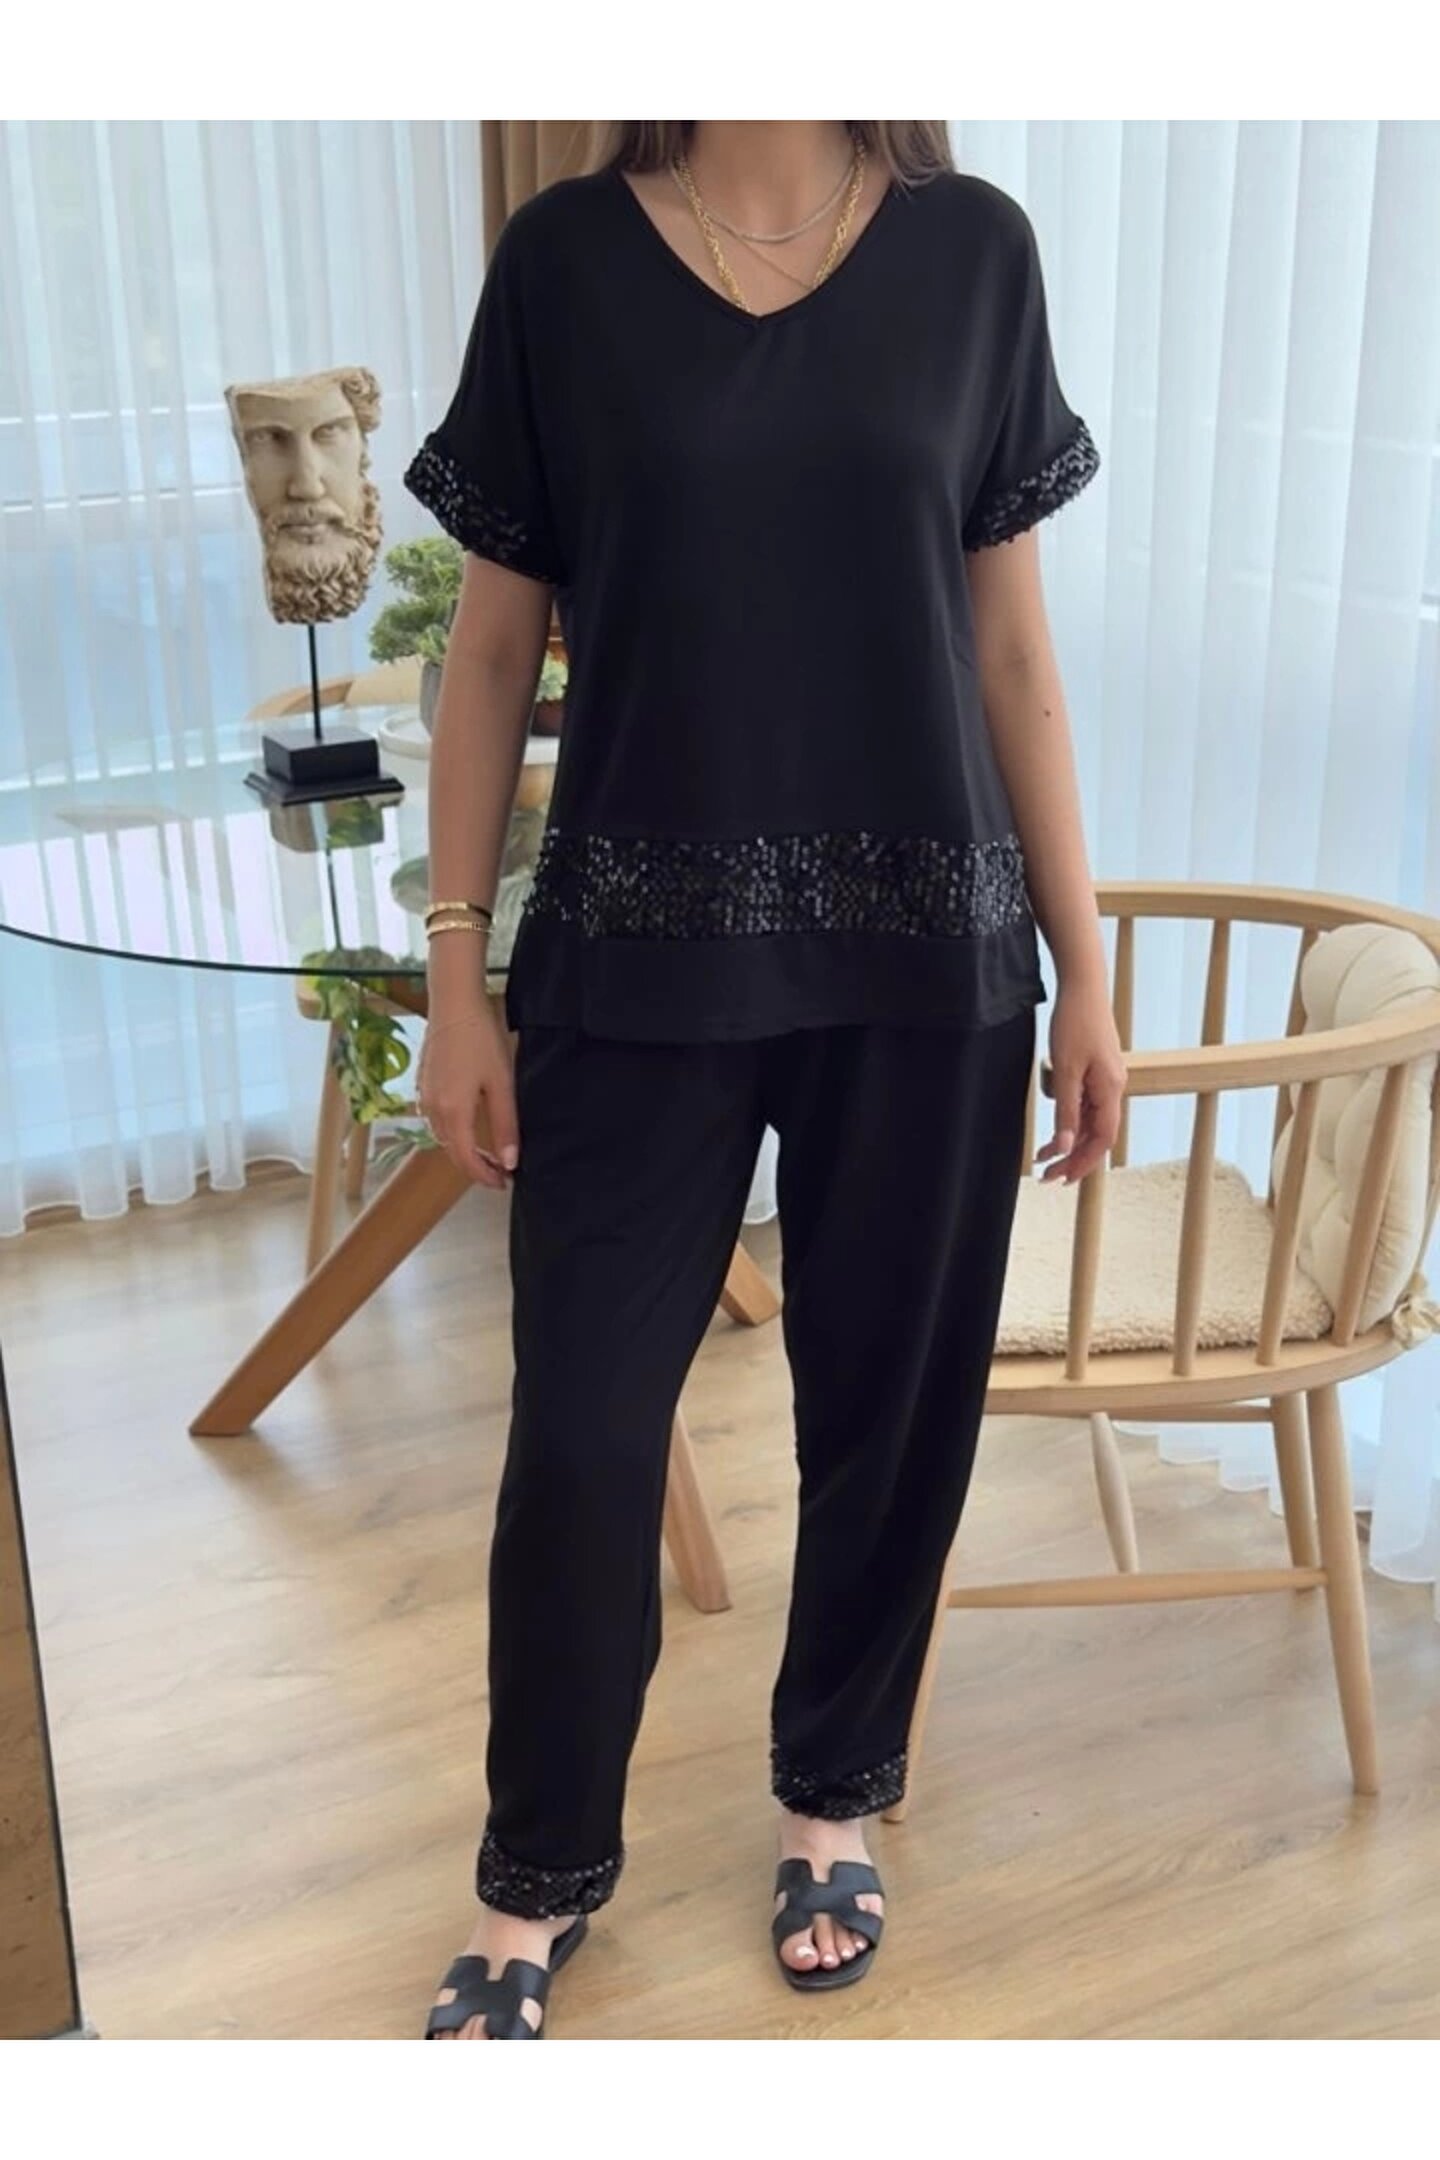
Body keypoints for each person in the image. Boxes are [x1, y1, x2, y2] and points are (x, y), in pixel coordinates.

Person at [406, 120, 1125, 2040]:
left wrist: (1087, 965)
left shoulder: (977, 254)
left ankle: (833, 1798)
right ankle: (537, 1871)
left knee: (888, 1416)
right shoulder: (563, 264)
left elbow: (1010, 642)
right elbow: (490, 651)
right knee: (581, 1440)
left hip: (930, 953)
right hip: (630, 959)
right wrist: (457, 976)